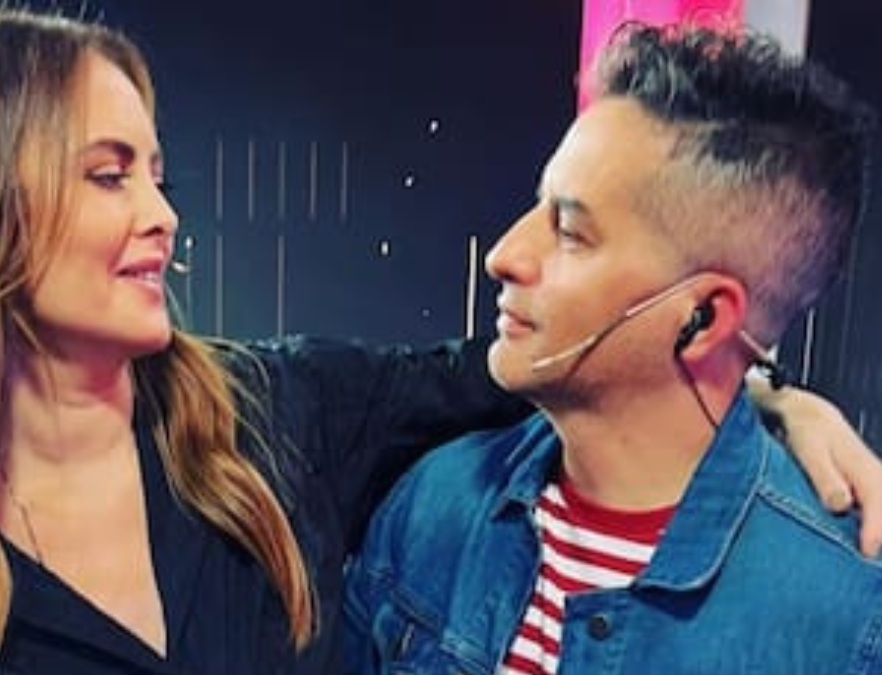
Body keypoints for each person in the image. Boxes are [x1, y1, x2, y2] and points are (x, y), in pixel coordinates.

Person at [0, 10, 882, 675]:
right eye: (109, 175)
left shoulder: (277, 415)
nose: (163, 216)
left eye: (157, 174)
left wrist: (769, 392)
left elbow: (525, 367)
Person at [345, 23, 882, 675]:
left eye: (570, 231)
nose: (504, 255)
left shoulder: (849, 621)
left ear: (704, 319)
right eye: (538, 207)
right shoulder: (434, 504)